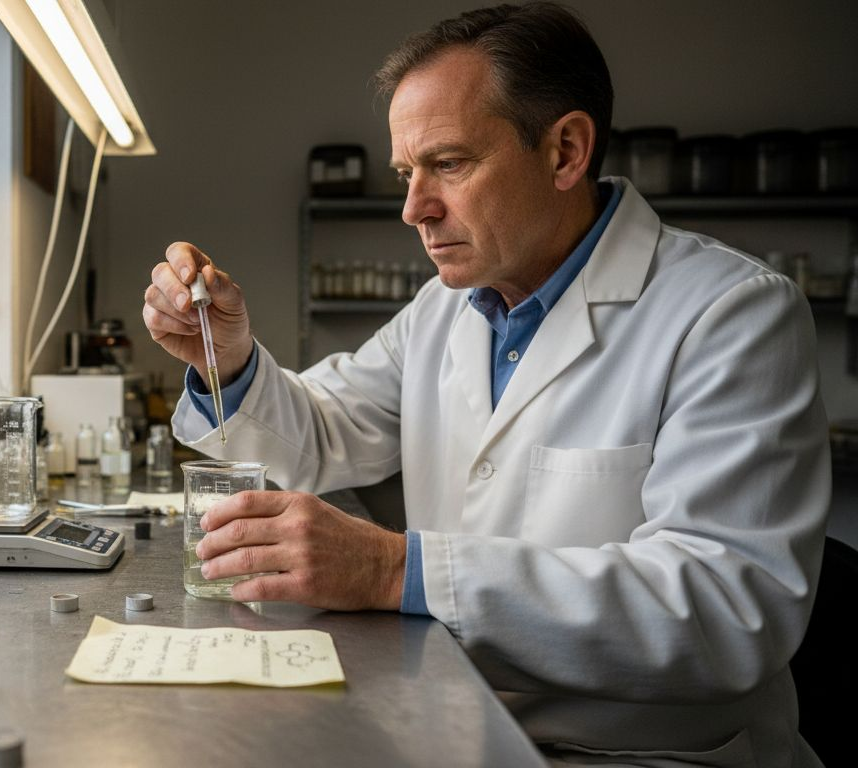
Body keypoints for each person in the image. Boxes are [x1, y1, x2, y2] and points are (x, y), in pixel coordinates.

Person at [141, 3, 829, 765]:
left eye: (450, 164)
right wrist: (226, 359)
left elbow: (727, 610)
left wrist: (393, 568)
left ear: (565, 151)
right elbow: (324, 431)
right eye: (407, 172)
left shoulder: (731, 314)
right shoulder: (445, 309)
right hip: (461, 723)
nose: (413, 209)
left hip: (647, 753)